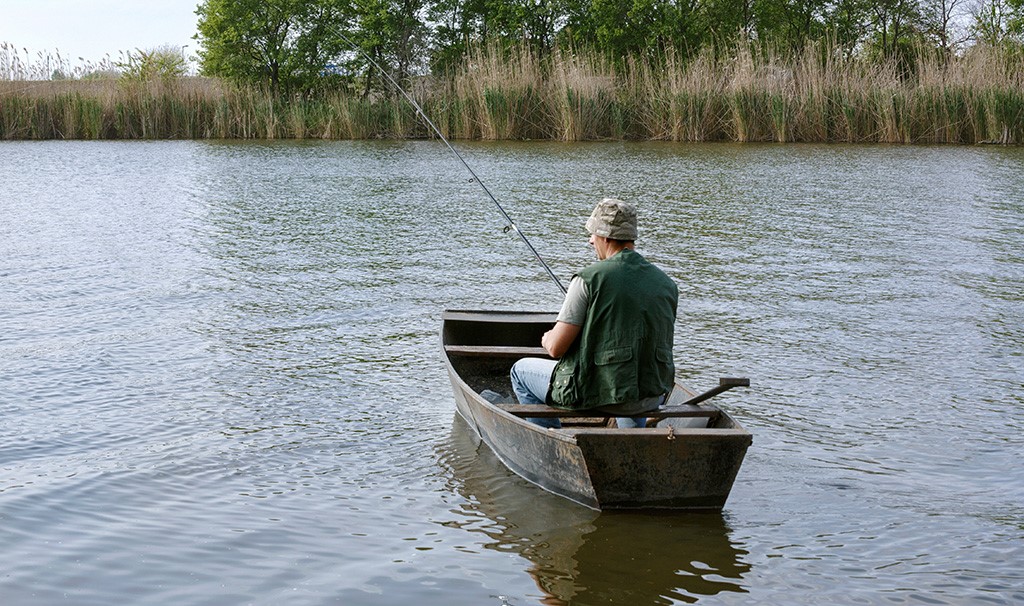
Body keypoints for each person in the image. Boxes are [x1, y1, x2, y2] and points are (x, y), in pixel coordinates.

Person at [510, 198, 679, 429]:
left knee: (519, 371)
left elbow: (556, 349)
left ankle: (552, 440)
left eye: (593, 234)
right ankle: (635, 441)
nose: (590, 240)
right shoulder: (666, 284)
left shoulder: (588, 278)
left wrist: (547, 337)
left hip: (592, 394)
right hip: (651, 395)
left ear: (606, 236)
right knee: (630, 382)